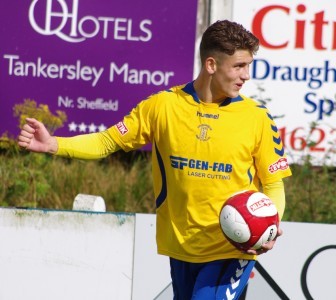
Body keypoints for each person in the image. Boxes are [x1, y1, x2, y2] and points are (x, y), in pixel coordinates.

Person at [18, 20, 292, 300]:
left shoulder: (257, 117)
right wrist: (54, 144)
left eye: (248, 66)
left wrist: (269, 227)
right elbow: (107, 141)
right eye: (238, 66)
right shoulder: (162, 106)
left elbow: (273, 184)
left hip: (232, 248)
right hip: (180, 246)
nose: (246, 75)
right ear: (211, 65)